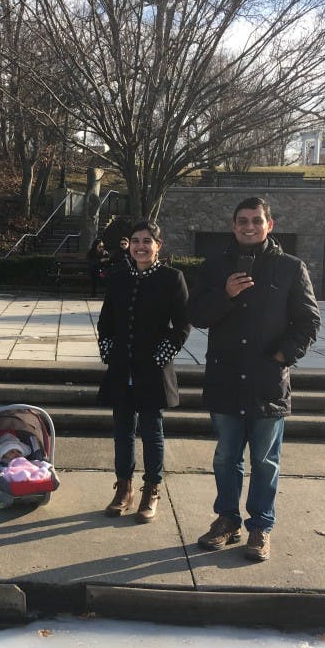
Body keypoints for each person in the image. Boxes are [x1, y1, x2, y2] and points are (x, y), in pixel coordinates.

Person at [187, 196, 320, 561]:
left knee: (265, 460)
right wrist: (226, 295)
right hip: (226, 377)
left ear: (269, 225)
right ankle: (226, 521)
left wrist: (282, 355)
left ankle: (260, 527)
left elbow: (309, 321)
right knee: (226, 457)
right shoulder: (214, 267)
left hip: (267, 381)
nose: (249, 226)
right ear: (233, 226)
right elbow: (196, 314)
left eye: (256, 220)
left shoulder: (291, 268)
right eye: (242, 220)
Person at [96, 221, 191, 523]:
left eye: (147, 241)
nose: (140, 246)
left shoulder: (172, 278)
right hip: (122, 365)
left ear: (158, 246)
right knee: (122, 430)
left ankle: (151, 488)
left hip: (153, 366)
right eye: (136, 240)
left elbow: (183, 325)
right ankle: (123, 487)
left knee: (152, 431)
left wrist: (162, 355)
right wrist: (109, 349)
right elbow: (106, 320)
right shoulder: (119, 277)